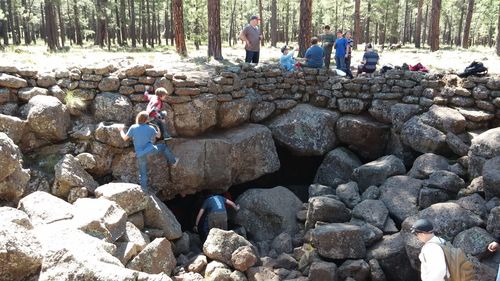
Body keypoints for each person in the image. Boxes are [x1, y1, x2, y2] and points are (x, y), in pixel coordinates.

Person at [119, 111, 178, 193]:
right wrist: (157, 128)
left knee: (143, 173)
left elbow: (125, 138)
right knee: (163, 147)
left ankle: (144, 190)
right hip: (151, 150)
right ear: (146, 120)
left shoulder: (133, 127)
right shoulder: (150, 128)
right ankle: (174, 161)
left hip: (140, 154)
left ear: (138, 118)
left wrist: (121, 130)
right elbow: (158, 136)